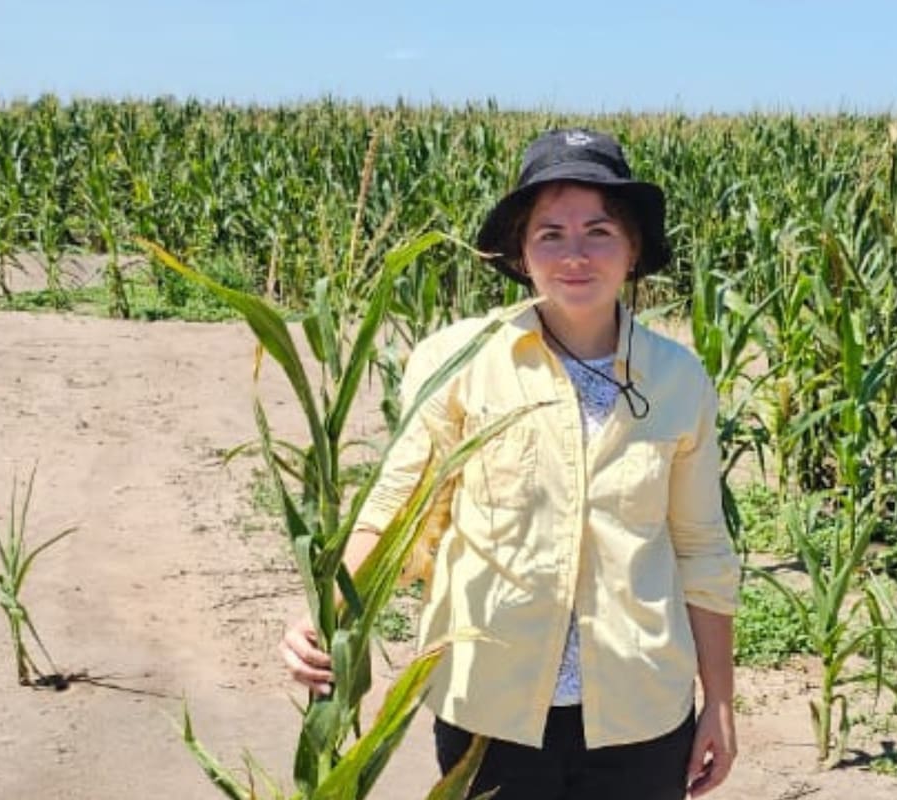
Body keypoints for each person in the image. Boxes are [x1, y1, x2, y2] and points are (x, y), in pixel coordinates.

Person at [280, 128, 741, 799]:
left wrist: (720, 702)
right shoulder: (460, 361)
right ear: (522, 254)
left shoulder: (678, 379)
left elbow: (701, 550)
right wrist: (325, 616)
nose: (575, 254)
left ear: (633, 248)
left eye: (599, 231)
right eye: (550, 233)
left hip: (642, 713)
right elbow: (399, 513)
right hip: (489, 713)